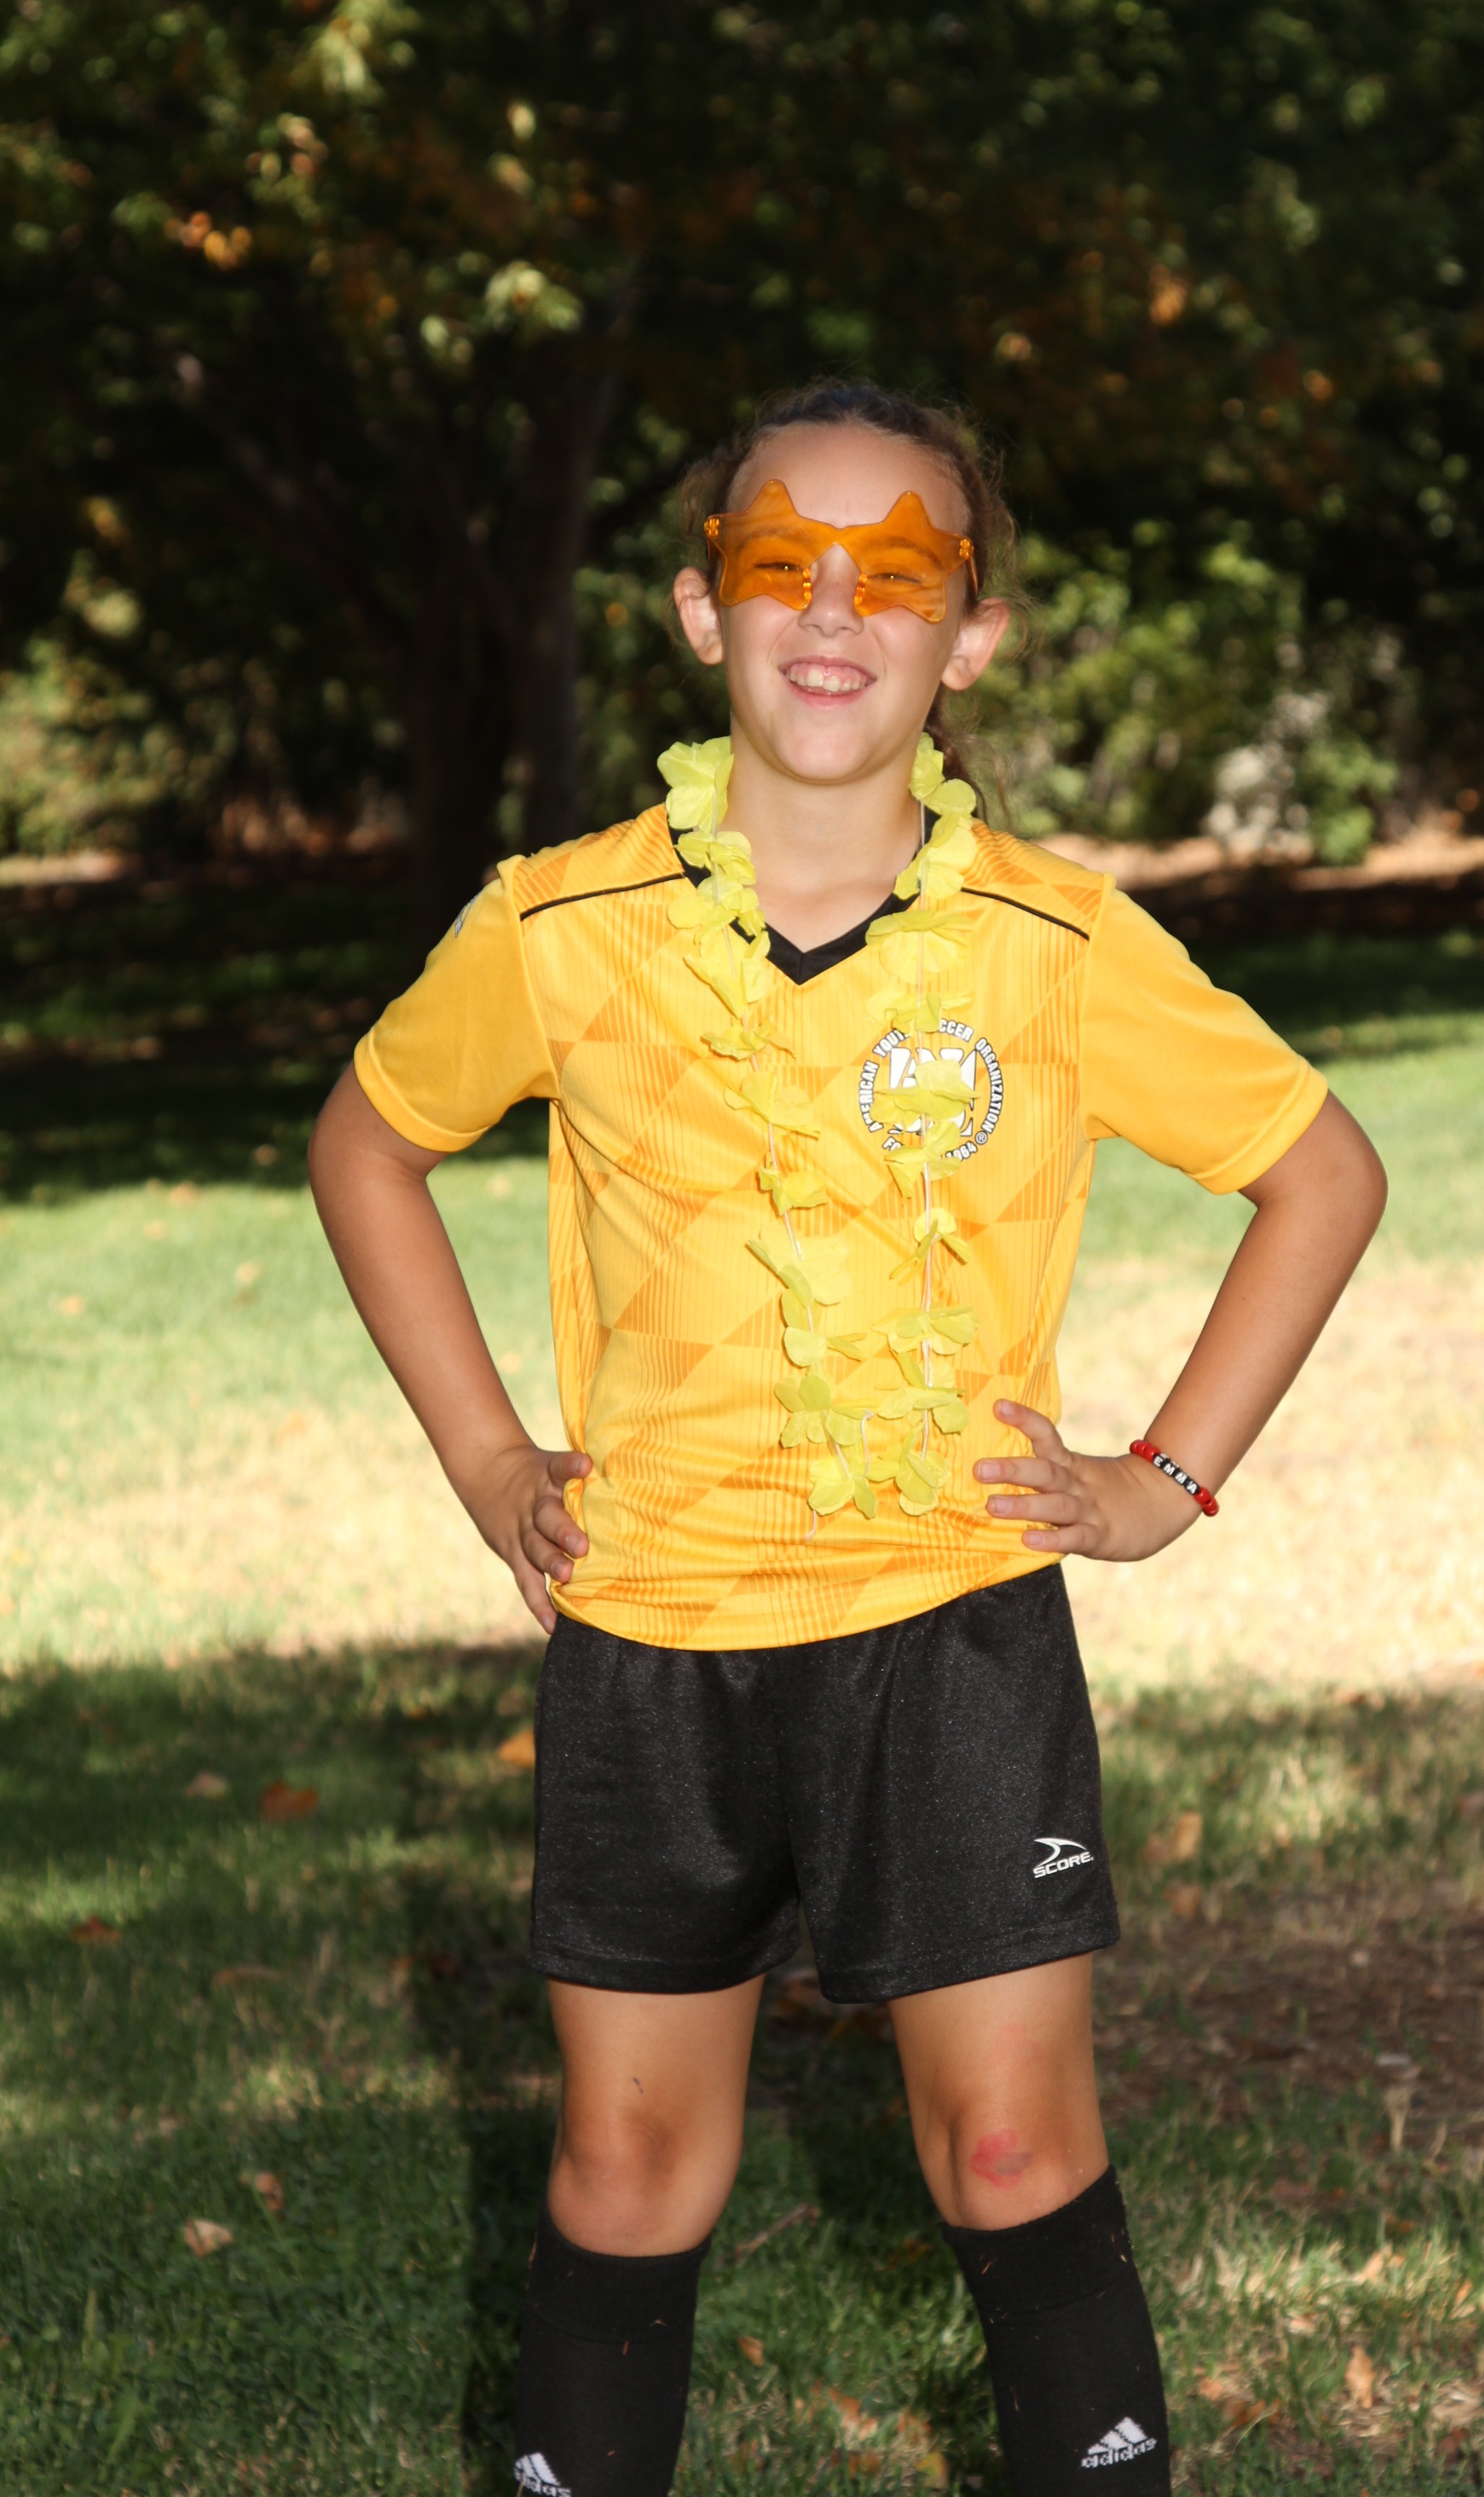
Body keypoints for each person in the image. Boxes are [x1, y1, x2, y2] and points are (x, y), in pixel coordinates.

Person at [309, 381, 1386, 2497]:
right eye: (778, 560)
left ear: (969, 637)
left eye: (896, 572)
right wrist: (488, 1461)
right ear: (702, 608)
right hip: (654, 1634)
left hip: (950, 1631)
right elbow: (368, 1146)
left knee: (1011, 2148)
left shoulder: (1054, 941)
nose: (832, 608)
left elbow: (1320, 1172)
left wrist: (1161, 1483)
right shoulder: (559, 922)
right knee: (630, 2165)